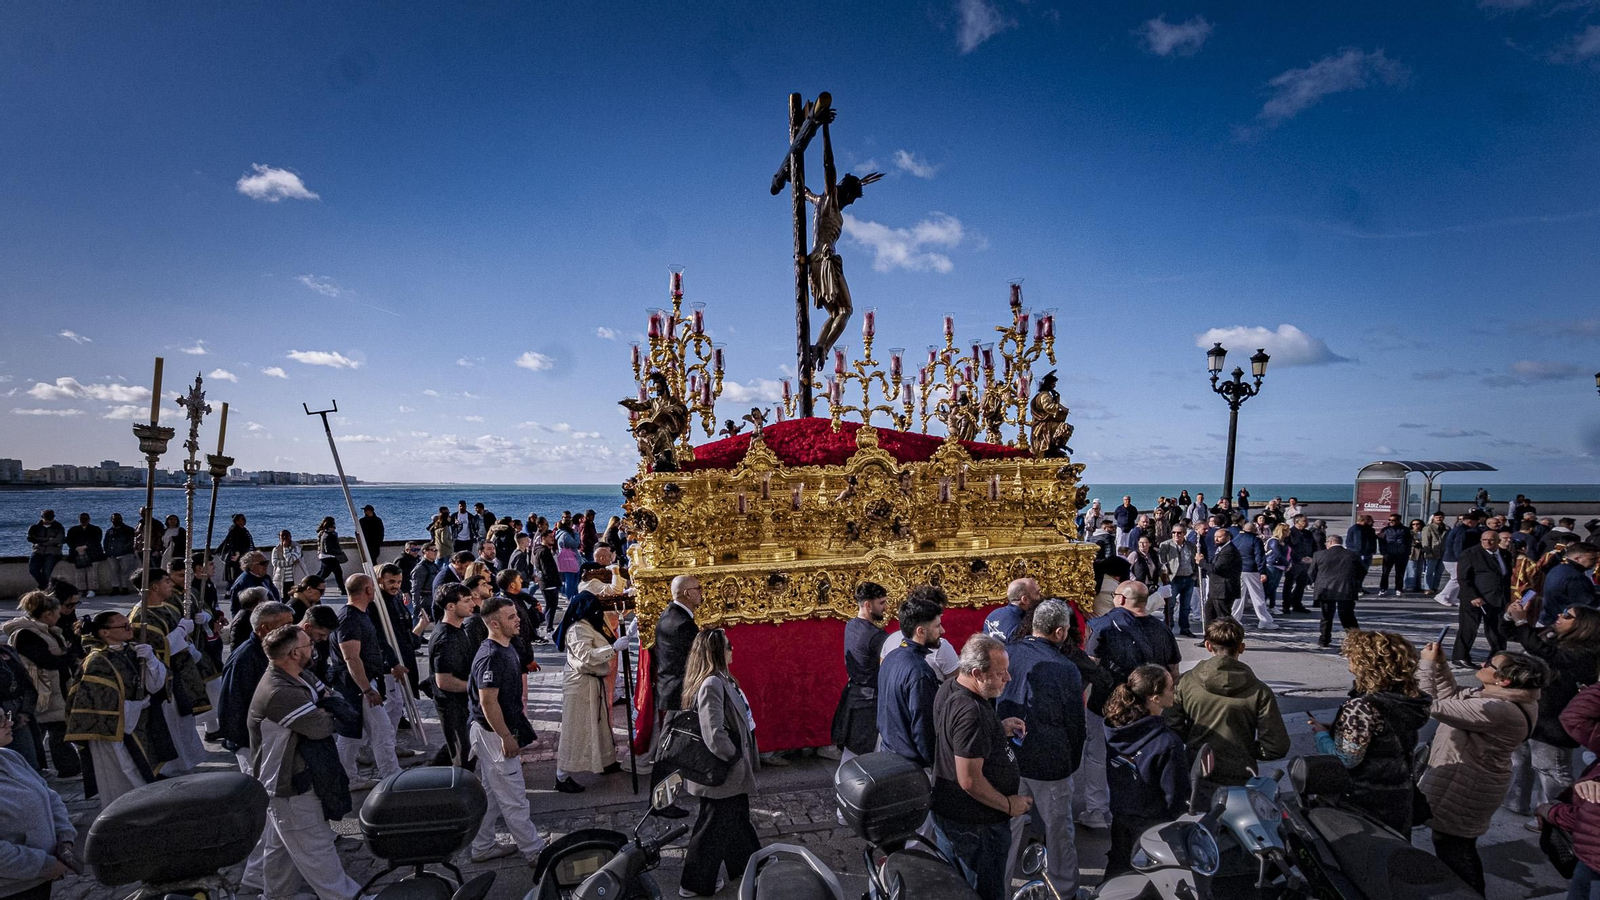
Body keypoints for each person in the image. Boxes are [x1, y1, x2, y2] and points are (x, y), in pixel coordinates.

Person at [1416, 642, 1545, 893]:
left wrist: (1428, 664)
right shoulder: (1501, 697)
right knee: (1452, 843)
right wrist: (1441, 665)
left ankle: (1470, 894)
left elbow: (1429, 705)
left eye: (1490, 665)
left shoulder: (1498, 709)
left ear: (1504, 680)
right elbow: (1451, 697)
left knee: (1455, 848)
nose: (1484, 664)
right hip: (1467, 780)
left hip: (1466, 785)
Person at [248, 624, 362, 900]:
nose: (314, 647)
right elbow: (320, 726)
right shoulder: (279, 691)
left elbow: (332, 699)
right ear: (294, 653)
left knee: (282, 848)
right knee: (316, 845)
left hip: (303, 777)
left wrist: (325, 708)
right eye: (308, 644)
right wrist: (326, 712)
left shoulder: (300, 676)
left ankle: (276, 896)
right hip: (290, 784)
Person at [928, 634, 1029, 900]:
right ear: (976, 673)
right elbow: (969, 780)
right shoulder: (971, 712)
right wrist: (1009, 805)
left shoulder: (951, 688)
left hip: (957, 818)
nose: (1007, 678)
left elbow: (956, 740)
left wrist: (997, 729)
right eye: (1000, 673)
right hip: (975, 827)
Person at [998, 600, 1085, 898]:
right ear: (1060, 632)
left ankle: (999, 887)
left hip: (1010, 756)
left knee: (1008, 828)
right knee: (1059, 830)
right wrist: (1071, 763)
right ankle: (1064, 889)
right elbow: (1075, 724)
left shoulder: (1009, 652)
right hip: (1050, 762)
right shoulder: (1065, 668)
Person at [1307, 630, 1432, 833]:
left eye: (1352, 658)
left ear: (1366, 664)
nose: (1349, 662)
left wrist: (1321, 734)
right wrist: (1340, 728)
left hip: (1363, 800)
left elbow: (1346, 758)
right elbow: (1384, 735)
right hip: (1399, 796)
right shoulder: (1410, 700)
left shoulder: (1363, 706)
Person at [677, 629, 760, 898]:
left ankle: (749, 866)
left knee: (736, 819)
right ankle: (693, 884)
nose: (732, 650)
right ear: (716, 652)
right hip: (722, 771)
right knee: (712, 827)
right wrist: (734, 756)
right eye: (728, 646)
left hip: (729, 770)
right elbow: (713, 732)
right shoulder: (712, 683)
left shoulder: (721, 679)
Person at [467, 595, 547, 863]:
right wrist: (504, 737)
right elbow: (488, 701)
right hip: (493, 734)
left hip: (495, 731)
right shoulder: (491, 656)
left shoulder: (507, 646)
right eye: (511, 617)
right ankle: (534, 850)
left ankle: (482, 846)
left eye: (516, 615)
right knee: (514, 796)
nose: (518, 621)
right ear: (494, 623)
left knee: (491, 795)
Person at [1501, 602, 1600, 815]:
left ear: (1583, 626)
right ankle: (1516, 802)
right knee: (1520, 761)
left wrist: (1521, 621)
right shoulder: (1552, 635)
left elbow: (1542, 651)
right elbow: (1518, 635)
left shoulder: (1583, 653)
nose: (1559, 615)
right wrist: (1511, 617)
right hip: (1531, 713)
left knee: (1551, 770)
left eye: (1567, 615)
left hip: (1554, 721)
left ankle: (1552, 815)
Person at [1166, 617, 1289, 787]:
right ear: (1242, 647)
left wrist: (1195, 742)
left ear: (1208, 646)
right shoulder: (1260, 691)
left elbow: (1172, 726)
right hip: (1241, 771)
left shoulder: (1186, 682)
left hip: (1198, 768)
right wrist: (1246, 750)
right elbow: (1276, 745)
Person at [63, 611, 166, 809]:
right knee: (121, 779)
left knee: (143, 775)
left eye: (129, 624)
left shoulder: (133, 651)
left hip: (137, 725)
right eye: (124, 626)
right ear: (105, 633)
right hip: (110, 733)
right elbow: (99, 703)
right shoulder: (97, 662)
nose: (131, 629)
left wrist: (152, 660)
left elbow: (155, 686)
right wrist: (137, 706)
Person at [1103, 664, 1186, 877]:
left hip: (1120, 817)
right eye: (1170, 687)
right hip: (1153, 826)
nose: (1174, 690)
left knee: (1117, 875)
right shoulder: (1167, 742)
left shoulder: (1115, 728)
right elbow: (1175, 795)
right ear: (1154, 698)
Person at [327, 573, 401, 789]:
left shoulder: (360, 614)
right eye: (373, 587)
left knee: (350, 736)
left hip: (359, 684)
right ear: (368, 590)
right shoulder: (350, 619)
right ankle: (391, 775)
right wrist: (367, 689)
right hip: (357, 687)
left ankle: (347, 778)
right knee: (382, 731)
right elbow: (351, 657)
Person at [0, 710, 78, 900]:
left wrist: (65, 839)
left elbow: (48, 796)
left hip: (41, 881)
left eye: (6, 716)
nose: (9, 723)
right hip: (13, 889)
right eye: (0, 721)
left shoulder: (10, 757)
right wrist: (46, 866)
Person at [2, 591, 81, 779]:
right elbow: (45, 660)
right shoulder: (26, 634)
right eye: (57, 613)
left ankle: (45, 767)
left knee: (47, 728)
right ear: (48, 614)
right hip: (42, 689)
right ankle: (67, 768)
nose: (60, 616)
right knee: (56, 727)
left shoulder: (47, 631)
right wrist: (67, 657)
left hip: (54, 687)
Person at [554, 590, 622, 792]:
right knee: (577, 730)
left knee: (599, 726)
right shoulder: (577, 629)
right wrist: (614, 649)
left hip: (593, 682)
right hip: (580, 684)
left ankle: (605, 760)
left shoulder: (590, 625)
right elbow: (586, 655)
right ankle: (562, 775)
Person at [649, 574, 702, 816]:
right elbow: (696, 659)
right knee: (670, 750)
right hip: (679, 692)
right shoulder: (682, 623)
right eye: (698, 588)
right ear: (687, 593)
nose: (702, 592)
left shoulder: (671, 614)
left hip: (674, 689)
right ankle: (659, 801)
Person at [877, 588, 946, 772]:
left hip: (888, 753)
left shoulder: (892, 657)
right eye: (937, 626)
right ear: (921, 631)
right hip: (911, 765)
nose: (943, 630)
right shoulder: (920, 672)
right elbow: (923, 728)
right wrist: (936, 764)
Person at [831, 582, 889, 764]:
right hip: (870, 702)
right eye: (882, 603)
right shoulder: (877, 637)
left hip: (855, 695)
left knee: (852, 752)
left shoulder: (851, 625)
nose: (886, 607)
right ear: (868, 605)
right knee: (864, 755)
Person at [429, 584, 479, 767]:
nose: (472, 604)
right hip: (452, 705)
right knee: (463, 756)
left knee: (456, 747)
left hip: (461, 703)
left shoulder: (458, 629)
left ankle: (430, 780)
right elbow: (444, 681)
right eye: (466, 601)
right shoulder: (446, 637)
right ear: (450, 606)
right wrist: (477, 689)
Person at [1453, 528, 1512, 668]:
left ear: (1498, 541)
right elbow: (1463, 578)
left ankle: (1497, 656)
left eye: (1491, 540)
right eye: (1484, 540)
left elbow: (1506, 577)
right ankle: (1460, 656)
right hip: (1475, 599)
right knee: (1469, 628)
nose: (1488, 542)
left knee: (1497, 629)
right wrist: (1473, 596)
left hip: (1498, 598)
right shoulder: (1470, 554)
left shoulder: (1505, 555)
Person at [1309, 535, 1363, 648]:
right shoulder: (1352, 554)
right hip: (1346, 588)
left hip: (1326, 589)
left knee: (1326, 616)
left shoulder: (1319, 555)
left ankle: (1324, 639)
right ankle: (1356, 640)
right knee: (1348, 616)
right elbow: (1362, 571)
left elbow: (1311, 572)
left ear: (1331, 542)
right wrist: (1353, 581)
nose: (1326, 545)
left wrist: (1318, 582)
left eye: (1326, 543)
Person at [1540, 542, 1599, 626]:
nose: (1596, 562)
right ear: (1577, 558)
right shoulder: (1576, 577)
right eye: (1592, 559)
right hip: (1562, 624)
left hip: (1548, 618)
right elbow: (1587, 605)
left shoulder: (1558, 568)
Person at [1229, 523, 1275, 630]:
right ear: (1254, 530)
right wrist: (1262, 571)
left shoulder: (1236, 539)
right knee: (1258, 596)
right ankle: (1265, 621)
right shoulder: (1255, 540)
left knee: (1238, 596)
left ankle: (1234, 619)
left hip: (1238, 570)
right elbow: (1259, 557)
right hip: (1252, 570)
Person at [1159, 522, 1199, 636]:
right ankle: (1168, 627)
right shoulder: (1165, 545)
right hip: (1173, 579)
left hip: (1188, 579)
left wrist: (1194, 576)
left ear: (1184, 534)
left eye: (1179, 533)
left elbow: (1195, 562)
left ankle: (1184, 628)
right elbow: (1162, 562)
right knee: (1169, 605)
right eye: (1174, 532)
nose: (1176, 535)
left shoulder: (1191, 546)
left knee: (1185, 606)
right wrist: (1166, 577)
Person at [1436, 511, 1480, 609]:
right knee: (1457, 578)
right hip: (1453, 559)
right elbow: (1458, 546)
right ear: (1470, 522)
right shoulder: (1461, 531)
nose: (1476, 524)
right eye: (1476, 522)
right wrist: (1461, 559)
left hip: (1452, 558)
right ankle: (1443, 596)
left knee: (1458, 578)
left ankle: (1452, 597)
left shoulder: (1459, 529)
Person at [983, 577, 1042, 643]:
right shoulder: (1022, 625)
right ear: (1025, 600)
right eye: (1037, 593)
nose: (1041, 596)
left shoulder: (992, 615)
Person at [1204, 527, 1242, 629]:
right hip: (1216, 589)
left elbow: (1216, 568)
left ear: (1228, 537)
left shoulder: (1229, 551)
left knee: (1223, 616)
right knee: (1209, 613)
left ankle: (1227, 639)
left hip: (1223, 590)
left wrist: (1201, 562)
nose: (1216, 539)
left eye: (1219, 537)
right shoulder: (1221, 549)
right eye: (1215, 537)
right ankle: (1209, 638)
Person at [63, 513, 103, 598]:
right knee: (79, 574)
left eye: (85, 519)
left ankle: (92, 590)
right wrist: (77, 548)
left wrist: (85, 547)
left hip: (93, 555)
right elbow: (69, 541)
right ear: (79, 519)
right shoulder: (73, 530)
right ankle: (81, 590)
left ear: (89, 519)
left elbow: (96, 540)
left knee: (92, 573)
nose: (83, 521)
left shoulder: (96, 529)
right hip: (77, 555)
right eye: (81, 519)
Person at [26, 511, 66, 592]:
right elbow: (31, 538)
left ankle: (43, 588)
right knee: (33, 569)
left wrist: (41, 541)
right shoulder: (35, 527)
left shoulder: (58, 527)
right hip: (37, 551)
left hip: (53, 552)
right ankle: (46, 587)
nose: (48, 520)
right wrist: (48, 539)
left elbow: (59, 540)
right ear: (42, 517)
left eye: (50, 518)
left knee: (46, 572)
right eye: (47, 518)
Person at [102, 512, 138, 596]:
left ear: (121, 519)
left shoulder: (129, 530)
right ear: (111, 520)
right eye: (114, 519)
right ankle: (115, 588)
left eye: (118, 519)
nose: (116, 520)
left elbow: (131, 541)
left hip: (125, 554)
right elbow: (106, 542)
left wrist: (123, 549)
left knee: (125, 572)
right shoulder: (109, 531)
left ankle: (125, 588)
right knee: (113, 572)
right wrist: (107, 551)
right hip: (112, 555)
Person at [1377, 513, 1412, 597]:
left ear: (1398, 520)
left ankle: (1399, 588)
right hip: (1389, 553)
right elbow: (1381, 541)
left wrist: (1407, 552)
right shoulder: (1385, 530)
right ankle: (1383, 589)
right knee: (1385, 572)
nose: (1391, 522)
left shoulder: (1405, 530)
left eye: (1393, 520)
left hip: (1401, 554)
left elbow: (1409, 542)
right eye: (1390, 520)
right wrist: (1383, 552)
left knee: (1400, 572)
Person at [218, 514, 254, 586]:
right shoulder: (235, 530)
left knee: (237, 573)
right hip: (237, 556)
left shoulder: (242, 530)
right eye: (242, 519)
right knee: (235, 573)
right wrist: (237, 553)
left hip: (242, 555)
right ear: (237, 521)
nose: (244, 521)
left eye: (244, 519)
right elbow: (234, 542)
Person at [409, 543, 441, 620]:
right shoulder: (421, 568)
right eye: (433, 550)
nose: (435, 552)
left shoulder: (434, 565)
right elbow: (415, 589)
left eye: (436, 550)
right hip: (425, 602)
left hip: (434, 599)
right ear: (424, 552)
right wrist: (417, 607)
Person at [1420, 511, 1448, 595]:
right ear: (1434, 518)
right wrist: (1428, 552)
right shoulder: (1428, 528)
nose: (1439, 519)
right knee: (1429, 571)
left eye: (1441, 517)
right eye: (1437, 517)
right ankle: (1427, 587)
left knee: (1439, 572)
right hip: (1432, 552)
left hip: (1443, 553)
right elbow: (1425, 541)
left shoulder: (1447, 528)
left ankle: (1435, 587)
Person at [314, 518, 345, 589]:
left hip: (323, 556)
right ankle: (313, 585)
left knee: (323, 573)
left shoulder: (323, 534)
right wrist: (338, 552)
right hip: (329, 557)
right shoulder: (329, 535)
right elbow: (329, 549)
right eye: (333, 526)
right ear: (330, 527)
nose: (334, 528)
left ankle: (312, 584)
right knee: (329, 573)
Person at [270, 531, 302, 599]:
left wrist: (285, 548)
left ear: (290, 537)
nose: (284, 538)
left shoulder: (296, 547)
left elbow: (290, 558)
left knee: (297, 598)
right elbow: (275, 563)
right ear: (279, 538)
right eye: (282, 536)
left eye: (286, 536)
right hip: (281, 580)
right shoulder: (276, 549)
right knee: (284, 599)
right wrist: (290, 562)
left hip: (295, 579)